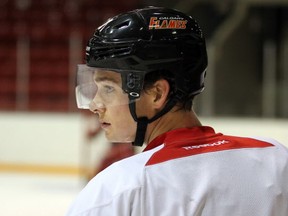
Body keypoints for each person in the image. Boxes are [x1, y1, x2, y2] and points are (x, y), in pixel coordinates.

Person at [66, 6, 288, 216]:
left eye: (108, 88)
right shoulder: (276, 157)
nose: (95, 104)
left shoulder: (119, 189)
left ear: (157, 93)